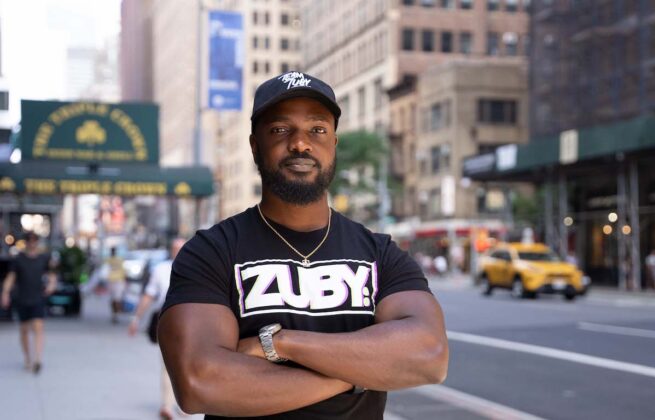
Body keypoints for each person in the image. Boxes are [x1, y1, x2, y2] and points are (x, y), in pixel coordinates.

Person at [158, 72, 449, 419]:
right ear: (255, 145)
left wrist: (278, 344)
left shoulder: (380, 254)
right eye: (281, 130)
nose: (300, 143)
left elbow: (430, 355)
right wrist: (360, 374)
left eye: (317, 129)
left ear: (334, 144)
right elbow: (199, 383)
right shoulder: (211, 252)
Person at [128, 238, 187, 420]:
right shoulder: (161, 270)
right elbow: (149, 295)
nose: (177, 251)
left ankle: (184, 403)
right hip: (167, 320)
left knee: (185, 364)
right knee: (167, 364)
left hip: (190, 323)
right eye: (174, 248)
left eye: (181, 248)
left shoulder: (197, 268)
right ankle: (167, 406)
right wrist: (136, 318)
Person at [1, 232, 57, 373]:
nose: (32, 243)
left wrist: (51, 285)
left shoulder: (43, 258)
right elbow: (11, 277)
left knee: (38, 326)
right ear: (26, 242)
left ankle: (37, 359)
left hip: (38, 297)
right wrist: (5, 293)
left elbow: (51, 275)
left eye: (34, 241)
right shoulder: (18, 259)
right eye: (29, 241)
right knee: (24, 329)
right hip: (22, 298)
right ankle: (27, 357)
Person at [105, 247, 126, 323]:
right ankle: (114, 314)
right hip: (111, 281)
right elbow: (104, 271)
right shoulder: (108, 260)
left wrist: (125, 281)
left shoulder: (119, 259)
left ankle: (116, 314)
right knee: (113, 300)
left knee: (117, 299)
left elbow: (123, 270)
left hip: (119, 281)